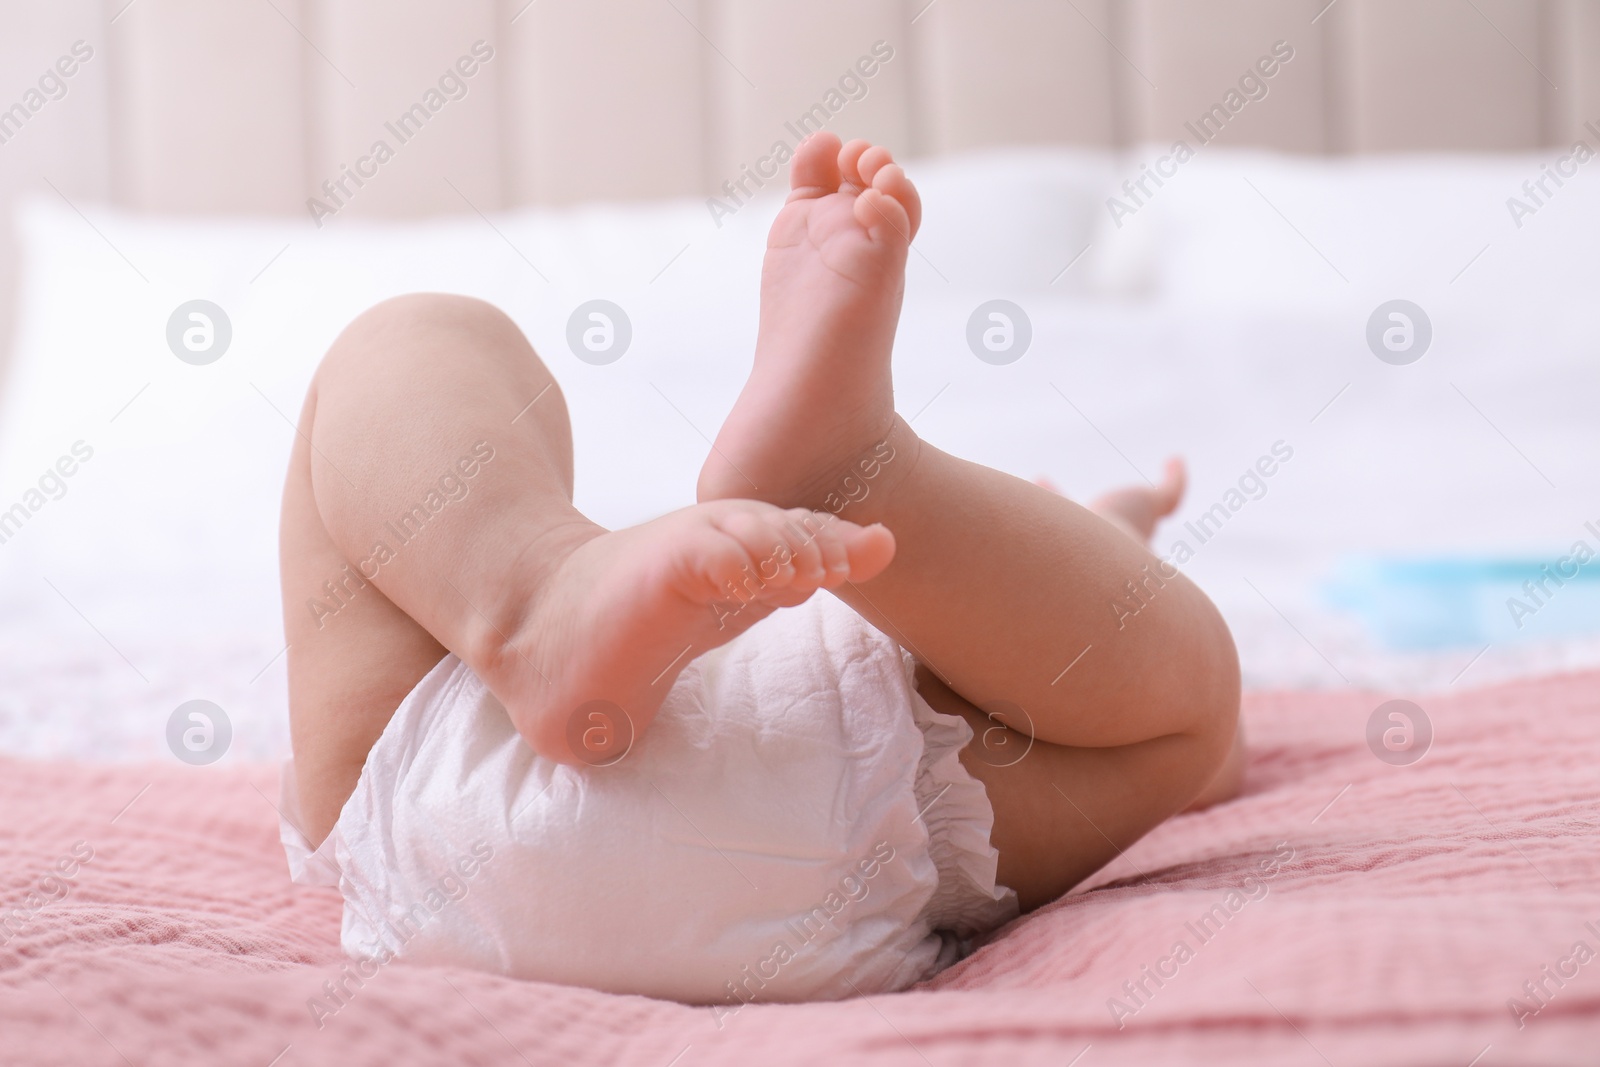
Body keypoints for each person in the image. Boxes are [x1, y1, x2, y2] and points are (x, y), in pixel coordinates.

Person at [276, 132, 1242, 1005]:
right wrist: (1114, 550)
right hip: (847, 823)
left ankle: (534, 593)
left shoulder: (397, 764)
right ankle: (855, 474)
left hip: (422, 817)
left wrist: (1109, 529)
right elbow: (1174, 731)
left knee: (413, 338)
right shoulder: (927, 677)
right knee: (1186, 702)